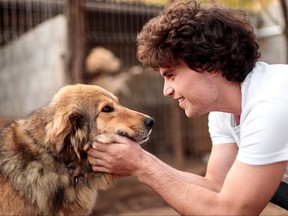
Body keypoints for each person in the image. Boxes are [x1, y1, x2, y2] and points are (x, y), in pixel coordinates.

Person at [87, 1, 288, 214]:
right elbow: (215, 186)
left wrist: (142, 166)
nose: (167, 90)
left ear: (209, 64)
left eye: (171, 76)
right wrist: (139, 159)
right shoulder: (225, 110)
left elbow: (232, 212)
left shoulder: (271, 103)